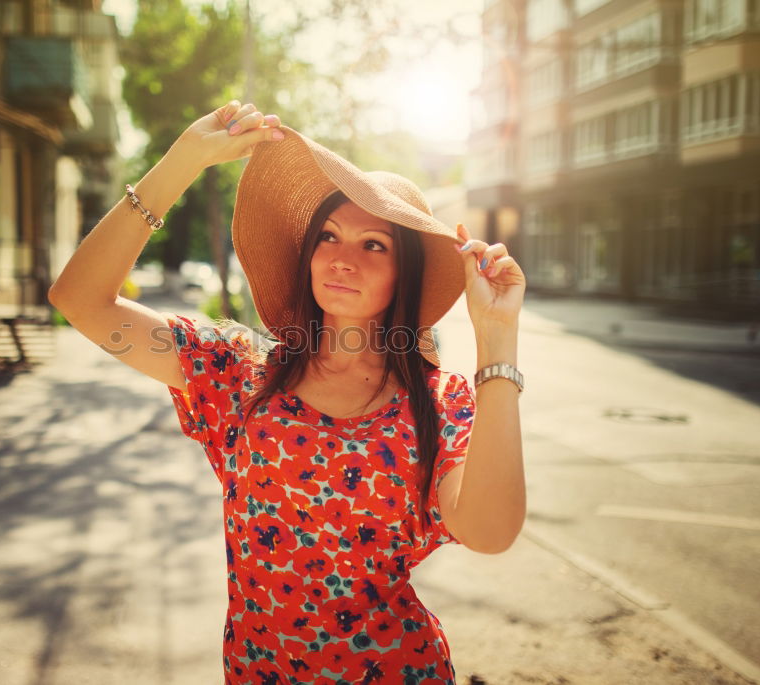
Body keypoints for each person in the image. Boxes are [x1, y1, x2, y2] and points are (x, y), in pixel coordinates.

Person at [49, 101, 526, 684]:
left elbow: (490, 531)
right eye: (329, 236)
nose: (343, 258)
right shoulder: (236, 371)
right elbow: (81, 299)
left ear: (406, 272)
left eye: (374, 244)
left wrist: (497, 340)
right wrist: (185, 159)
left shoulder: (438, 401)